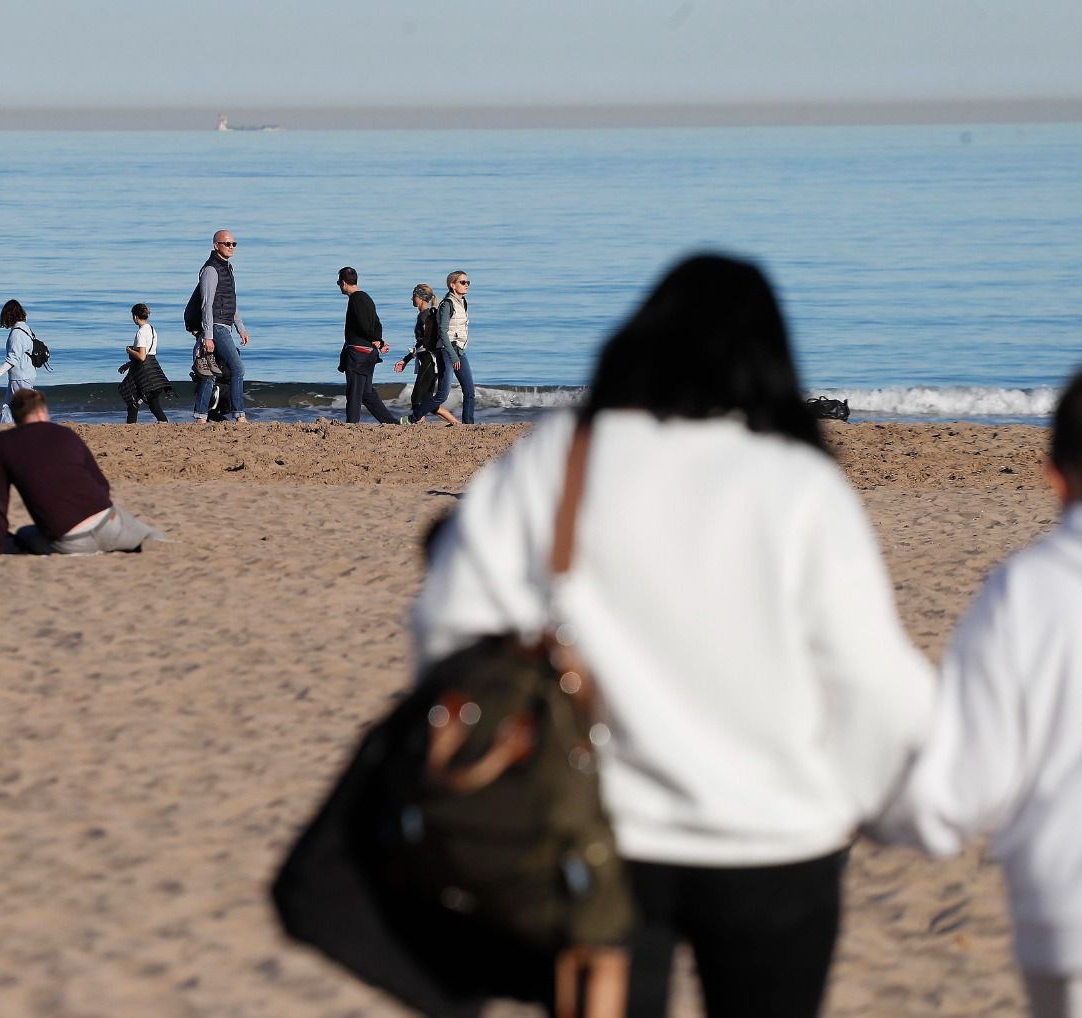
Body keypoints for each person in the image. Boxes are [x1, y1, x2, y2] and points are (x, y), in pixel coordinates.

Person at [411, 253, 934, 1018]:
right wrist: (892, 804)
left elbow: (447, 628)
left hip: (596, 838)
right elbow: (870, 678)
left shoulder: (558, 460)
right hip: (778, 836)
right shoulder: (797, 481)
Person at [876, 364, 1082, 1018]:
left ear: (1053, 475)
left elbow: (959, 789)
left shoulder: (1027, 592)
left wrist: (881, 809)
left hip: (1074, 919)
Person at [0, 389, 162, 555]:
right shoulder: (66, 433)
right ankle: (161, 542)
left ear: (16, 417)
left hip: (71, 540)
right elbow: (102, 485)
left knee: (24, 533)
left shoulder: (3, 442)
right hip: (108, 522)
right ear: (41, 412)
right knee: (149, 535)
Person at [191, 229, 251, 423]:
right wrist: (208, 336)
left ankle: (201, 416)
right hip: (215, 327)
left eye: (234, 244)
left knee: (210, 372)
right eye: (227, 243)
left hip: (223, 326)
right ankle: (239, 414)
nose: (231, 247)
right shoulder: (210, 269)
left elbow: (230, 301)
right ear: (216, 245)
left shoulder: (227, 268)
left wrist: (240, 327)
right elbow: (206, 304)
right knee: (237, 368)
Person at [335, 266, 399, 425]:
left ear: (343, 283)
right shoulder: (367, 298)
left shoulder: (356, 299)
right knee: (366, 393)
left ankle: (352, 424)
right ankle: (391, 423)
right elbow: (377, 323)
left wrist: (375, 340)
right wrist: (379, 341)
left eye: (338, 282)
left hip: (358, 353)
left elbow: (364, 325)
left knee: (354, 392)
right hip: (369, 353)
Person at [393, 282, 460, 425]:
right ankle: (457, 424)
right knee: (428, 402)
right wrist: (406, 360)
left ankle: (418, 425)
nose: (411, 299)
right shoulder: (427, 314)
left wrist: (407, 359)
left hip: (430, 360)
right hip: (428, 360)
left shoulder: (426, 316)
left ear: (421, 298)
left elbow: (427, 343)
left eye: (413, 296)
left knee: (417, 398)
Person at [118, 303, 173, 422]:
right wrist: (128, 364)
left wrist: (129, 350)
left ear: (135, 317)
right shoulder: (152, 329)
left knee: (133, 402)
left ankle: (131, 427)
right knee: (154, 405)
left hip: (145, 372)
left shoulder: (141, 332)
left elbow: (142, 356)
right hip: (153, 368)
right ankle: (164, 423)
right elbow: (148, 352)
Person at [0, 299, 38, 425]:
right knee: (9, 406)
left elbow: (12, 358)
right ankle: (5, 426)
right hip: (27, 373)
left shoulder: (16, 334)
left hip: (20, 375)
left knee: (20, 406)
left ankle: (32, 426)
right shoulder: (26, 329)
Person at [437, 270, 475, 423]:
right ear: (452, 285)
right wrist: (453, 355)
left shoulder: (463, 302)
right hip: (449, 351)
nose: (466, 285)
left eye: (468, 282)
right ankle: (414, 416)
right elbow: (443, 331)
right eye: (462, 282)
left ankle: (468, 425)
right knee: (442, 395)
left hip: (460, 350)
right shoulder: (447, 304)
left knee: (469, 392)